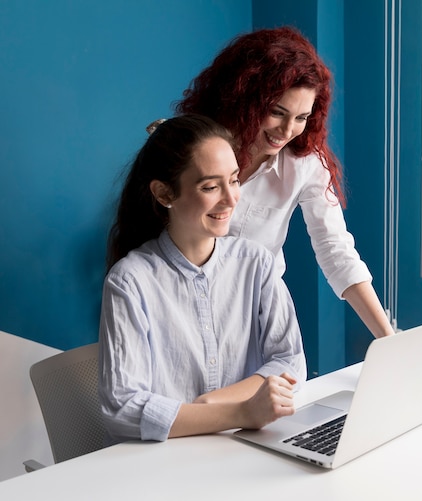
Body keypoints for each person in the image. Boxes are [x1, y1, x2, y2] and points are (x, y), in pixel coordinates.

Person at [175, 26, 395, 339]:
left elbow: (336, 249)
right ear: (245, 99)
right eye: (277, 112)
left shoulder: (304, 163)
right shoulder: (193, 147)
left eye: (302, 117)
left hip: (258, 318)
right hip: (183, 312)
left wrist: (388, 338)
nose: (288, 130)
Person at [98, 114, 306, 444]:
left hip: (241, 450)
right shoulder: (130, 282)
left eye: (234, 180)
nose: (231, 198)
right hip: (166, 468)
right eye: (210, 186)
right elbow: (122, 408)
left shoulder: (255, 262)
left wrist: (213, 403)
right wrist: (241, 412)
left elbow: (290, 360)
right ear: (164, 194)